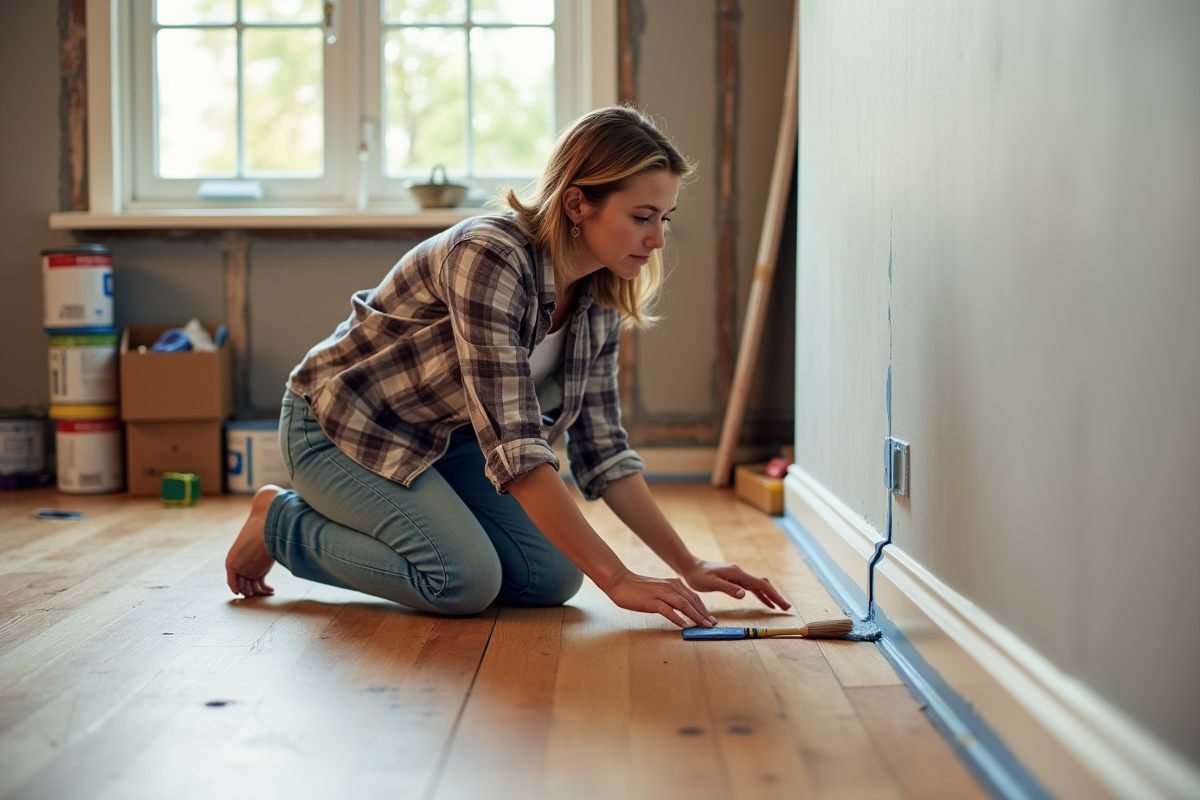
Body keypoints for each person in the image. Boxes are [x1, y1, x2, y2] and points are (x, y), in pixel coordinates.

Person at [225, 105, 790, 629]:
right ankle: (280, 523)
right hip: (343, 426)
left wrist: (688, 563)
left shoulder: (600, 293)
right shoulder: (490, 255)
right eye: (642, 216)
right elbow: (516, 449)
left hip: (447, 438)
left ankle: (423, 519)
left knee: (552, 577)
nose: (658, 238)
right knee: (461, 581)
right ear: (577, 204)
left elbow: (604, 449)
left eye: (664, 217)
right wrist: (617, 578)